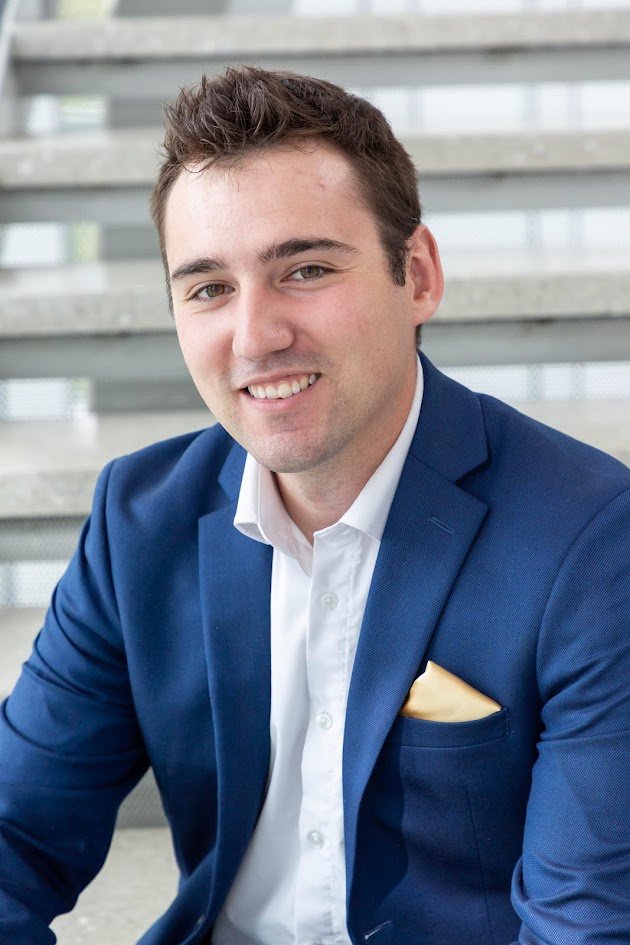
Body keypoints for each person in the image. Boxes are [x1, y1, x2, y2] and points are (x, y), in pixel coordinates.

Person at [0, 67, 628, 945]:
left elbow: (587, 930)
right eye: (210, 287)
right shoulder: (138, 522)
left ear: (416, 276)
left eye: (305, 269)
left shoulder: (593, 541)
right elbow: (11, 838)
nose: (256, 337)